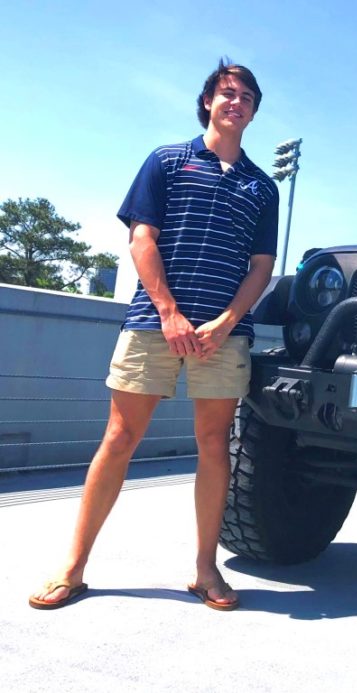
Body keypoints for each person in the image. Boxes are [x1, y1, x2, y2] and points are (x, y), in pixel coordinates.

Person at [29, 59, 279, 611]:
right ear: (208, 102)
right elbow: (142, 239)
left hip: (224, 336)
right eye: (226, 92)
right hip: (152, 325)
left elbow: (262, 266)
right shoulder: (166, 161)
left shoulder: (263, 187)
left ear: (254, 112)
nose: (236, 102)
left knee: (214, 445)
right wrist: (169, 312)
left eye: (246, 97)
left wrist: (225, 322)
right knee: (119, 438)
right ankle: (72, 567)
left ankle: (204, 570)